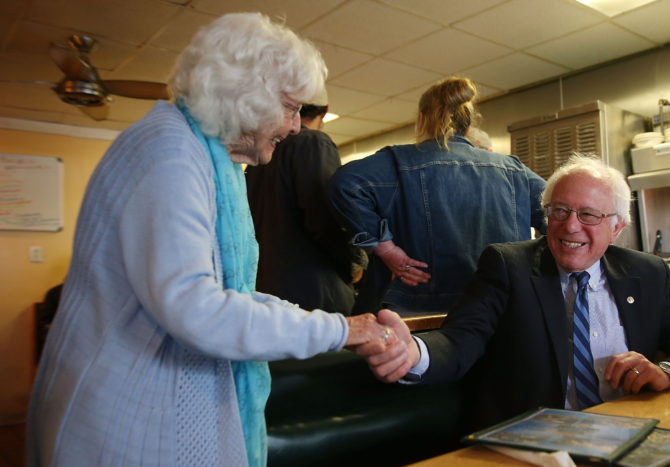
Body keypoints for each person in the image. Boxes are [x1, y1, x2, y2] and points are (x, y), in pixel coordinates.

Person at [26, 13, 407, 467]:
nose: (296, 127)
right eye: (290, 107)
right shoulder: (168, 153)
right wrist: (339, 329)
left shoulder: (202, 158)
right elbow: (198, 309)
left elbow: (232, 295)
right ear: (246, 96)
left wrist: (341, 326)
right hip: (124, 424)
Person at [362, 154, 670, 433]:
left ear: (617, 228)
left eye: (588, 215)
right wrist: (414, 354)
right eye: (559, 211)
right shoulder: (507, 265)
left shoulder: (646, 273)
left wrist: (667, 372)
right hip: (534, 444)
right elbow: (461, 341)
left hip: (625, 433)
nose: (570, 225)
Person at [328, 76, 547, 315]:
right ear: (469, 126)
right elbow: (560, 210)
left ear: (421, 120)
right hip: (500, 310)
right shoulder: (512, 170)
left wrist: (384, 248)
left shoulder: (399, 163)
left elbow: (342, 185)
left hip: (421, 314)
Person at [246, 85, 366, 316]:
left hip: (267, 293)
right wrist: (352, 263)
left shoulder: (258, 157)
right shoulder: (314, 143)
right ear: (325, 110)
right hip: (315, 295)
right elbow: (326, 219)